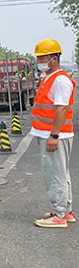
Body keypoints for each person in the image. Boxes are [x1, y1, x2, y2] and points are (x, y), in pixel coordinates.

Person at [30, 38, 76, 228]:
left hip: (57, 136)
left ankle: (59, 215)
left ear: (54, 59)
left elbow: (61, 109)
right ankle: (66, 211)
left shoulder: (60, 80)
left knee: (55, 175)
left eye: (42, 58)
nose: (39, 61)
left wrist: (53, 135)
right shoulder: (49, 78)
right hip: (50, 134)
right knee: (61, 173)